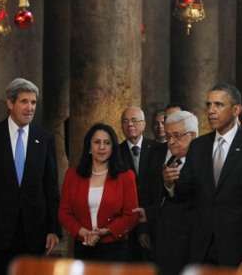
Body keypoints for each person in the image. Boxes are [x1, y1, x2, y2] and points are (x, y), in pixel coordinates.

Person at [164, 83, 242, 269]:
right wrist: (170, 184)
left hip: (238, 251)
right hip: (200, 249)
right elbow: (186, 194)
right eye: (208, 105)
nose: (211, 111)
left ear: (236, 109)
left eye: (218, 105)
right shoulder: (198, 146)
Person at [0, 78, 60, 275]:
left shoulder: (44, 139)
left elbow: (50, 187)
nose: (30, 108)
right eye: (24, 101)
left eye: (33, 102)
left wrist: (53, 229)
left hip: (34, 236)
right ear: (10, 103)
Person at [59, 123, 139, 261]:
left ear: (113, 148)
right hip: (83, 246)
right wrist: (82, 232)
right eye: (97, 142)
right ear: (89, 147)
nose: (102, 147)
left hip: (115, 248)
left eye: (107, 143)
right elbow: (64, 213)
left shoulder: (126, 176)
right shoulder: (72, 175)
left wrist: (106, 231)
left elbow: (131, 215)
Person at [140, 110, 198, 275]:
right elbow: (164, 201)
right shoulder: (170, 161)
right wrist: (147, 214)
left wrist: (171, 185)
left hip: (190, 246)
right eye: (168, 136)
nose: (170, 142)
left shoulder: (203, 162)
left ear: (192, 135)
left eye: (176, 136)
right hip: (164, 244)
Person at [119, 106, 160, 260]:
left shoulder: (158, 149)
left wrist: (146, 226)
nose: (130, 124)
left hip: (154, 223)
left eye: (134, 120)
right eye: (125, 121)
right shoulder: (116, 152)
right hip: (127, 229)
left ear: (143, 124)